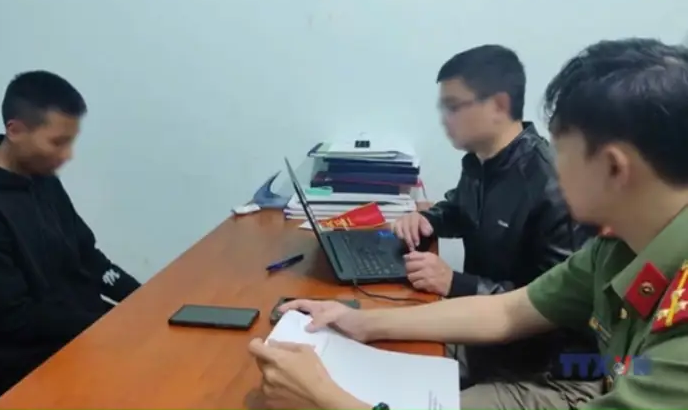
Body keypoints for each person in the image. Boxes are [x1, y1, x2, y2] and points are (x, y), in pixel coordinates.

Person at [248, 37, 688, 409]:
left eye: (563, 151)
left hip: (562, 377)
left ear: (613, 168)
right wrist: (360, 323)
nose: (555, 165)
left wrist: (326, 400)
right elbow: (509, 310)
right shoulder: (617, 246)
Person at [395, 45, 600, 390]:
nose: (444, 119)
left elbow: (553, 305)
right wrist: (429, 219)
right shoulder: (480, 162)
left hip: (541, 369)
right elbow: (462, 208)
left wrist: (455, 283)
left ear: (499, 106)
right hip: (487, 341)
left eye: (454, 107)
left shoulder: (551, 185)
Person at [0, 71, 141, 396]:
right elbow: (10, 320)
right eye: (58, 142)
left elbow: (87, 256)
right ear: (15, 130)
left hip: (85, 331)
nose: (67, 155)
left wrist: (141, 299)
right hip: (39, 364)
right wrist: (105, 324)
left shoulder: (41, 177)